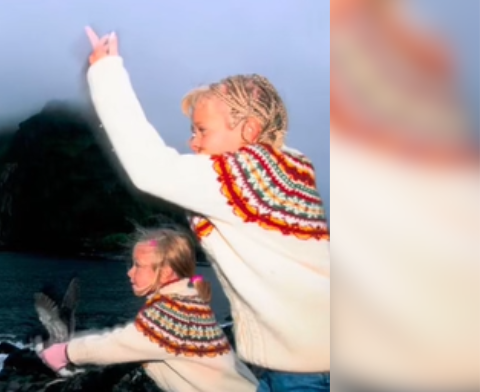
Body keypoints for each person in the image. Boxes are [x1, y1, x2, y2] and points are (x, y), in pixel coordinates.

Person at [80, 27, 331, 392]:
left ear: (248, 131)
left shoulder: (245, 175)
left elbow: (150, 168)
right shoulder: (285, 173)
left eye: (202, 130)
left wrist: (106, 72)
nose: (192, 141)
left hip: (305, 370)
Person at [40, 228, 258, 392]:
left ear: (165, 273)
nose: (129, 272)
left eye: (138, 265)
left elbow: (118, 344)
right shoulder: (187, 303)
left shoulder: (172, 315)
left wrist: (65, 352)